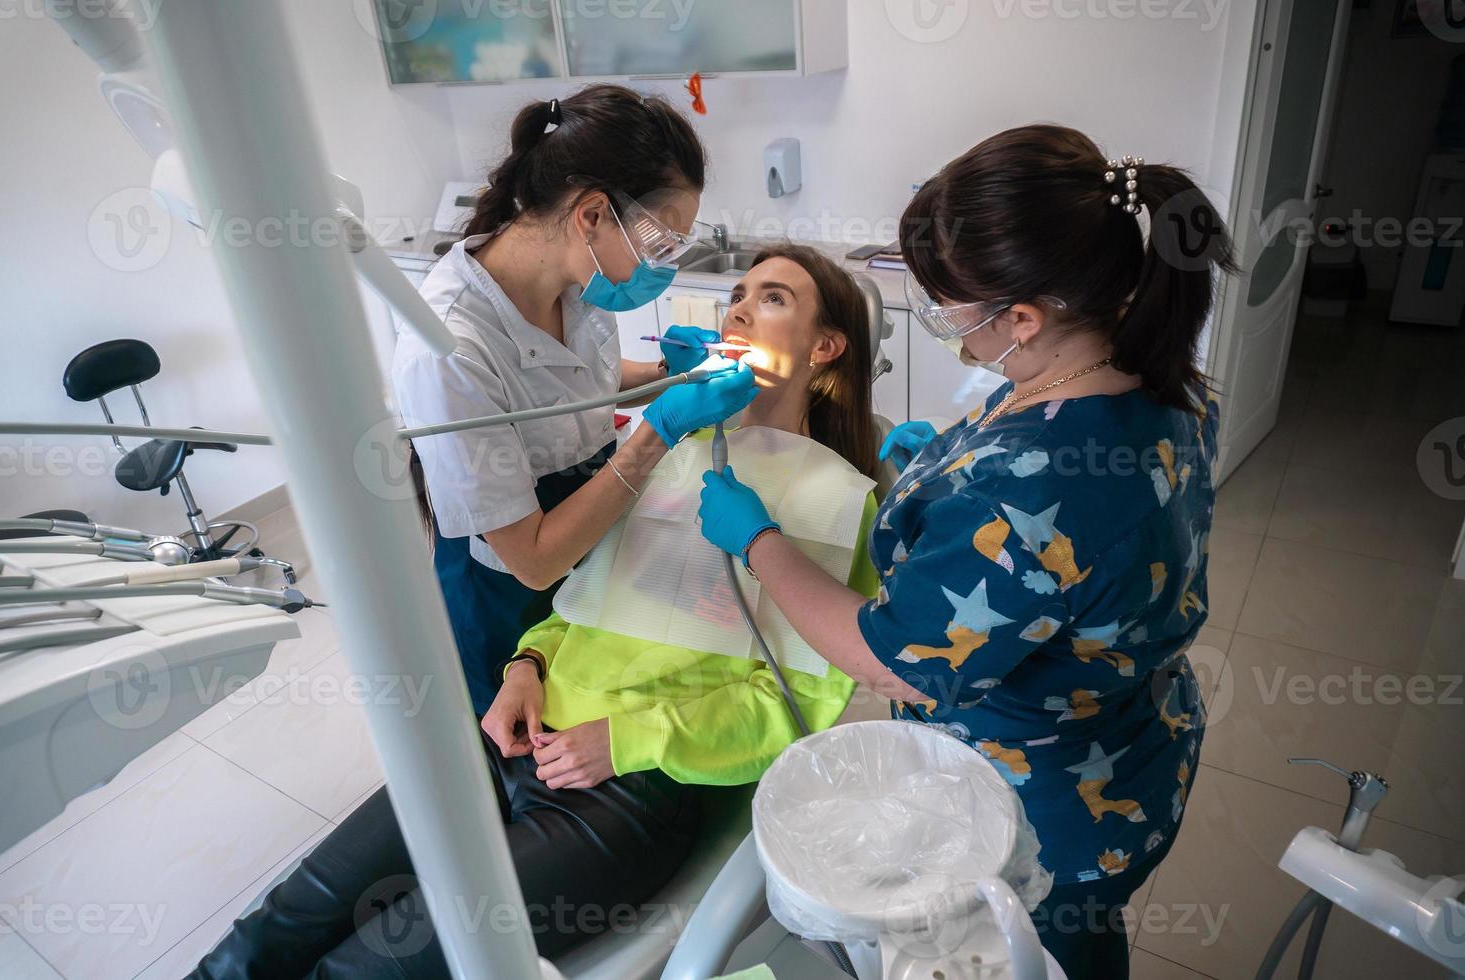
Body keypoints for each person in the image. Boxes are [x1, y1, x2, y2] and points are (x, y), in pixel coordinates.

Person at [189, 245, 883, 978]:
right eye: (736, 293)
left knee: (370, 964)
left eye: (771, 298)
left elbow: (792, 701)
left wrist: (626, 740)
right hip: (514, 736)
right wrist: (527, 665)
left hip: (628, 789)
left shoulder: (840, 501)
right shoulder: (672, 457)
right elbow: (582, 600)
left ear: (826, 347)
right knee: (291, 915)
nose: (736, 308)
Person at [696, 125, 1235, 980]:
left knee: (1053, 954)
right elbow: (1051, 548)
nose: (944, 324)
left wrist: (759, 542)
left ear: (1023, 318)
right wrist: (929, 468)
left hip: (1051, 808)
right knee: (1088, 938)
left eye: (948, 308)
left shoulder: (1026, 490)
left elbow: (896, 662)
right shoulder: (1157, 380)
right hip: (1138, 741)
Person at [393, 84, 758, 715]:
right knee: (530, 759)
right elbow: (533, 560)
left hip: (591, 542)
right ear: (591, 215)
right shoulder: (448, 350)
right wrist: (658, 432)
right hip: (510, 585)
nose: (663, 266)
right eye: (660, 244)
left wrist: (667, 372)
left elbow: (564, 383)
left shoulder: (575, 276)